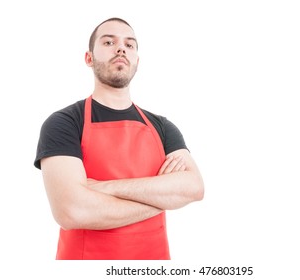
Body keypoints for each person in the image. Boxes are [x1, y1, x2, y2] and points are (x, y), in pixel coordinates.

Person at [34, 17, 204, 260]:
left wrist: (103, 187)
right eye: (108, 42)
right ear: (89, 58)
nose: (121, 48)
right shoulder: (64, 123)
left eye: (130, 44)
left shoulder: (163, 127)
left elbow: (194, 188)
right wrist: (163, 197)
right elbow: (72, 210)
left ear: (137, 60)